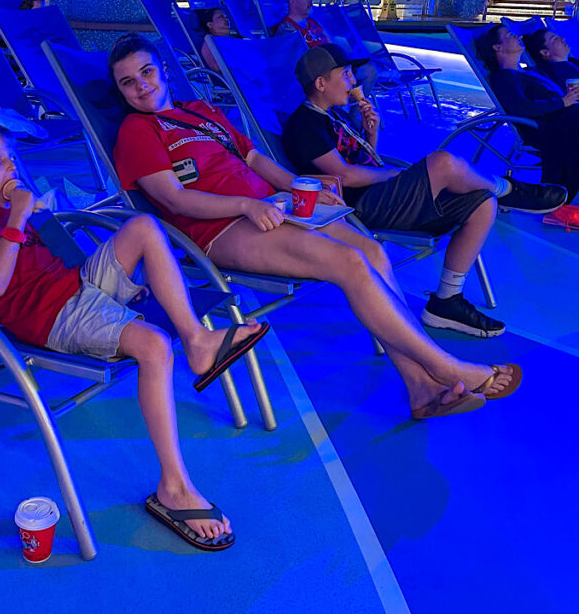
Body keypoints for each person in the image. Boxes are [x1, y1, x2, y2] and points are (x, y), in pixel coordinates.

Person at [110, 33, 522, 420]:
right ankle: (446, 367)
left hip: (274, 206)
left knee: (373, 252)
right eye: (128, 82)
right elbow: (174, 199)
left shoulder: (201, 112)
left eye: (146, 72)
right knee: (348, 262)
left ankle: (420, 388)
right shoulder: (136, 132)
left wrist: (302, 186)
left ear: (163, 68)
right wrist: (247, 205)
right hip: (222, 227)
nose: (141, 86)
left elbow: (252, 159)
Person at [0, 122, 270, 551]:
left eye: (10, 157)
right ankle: (174, 487)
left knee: (145, 227)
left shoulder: (9, 209)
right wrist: (18, 217)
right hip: (52, 316)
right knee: (153, 345)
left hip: (77, 285)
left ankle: (198, 340)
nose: (10, 168)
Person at [281, 44, 567, 337]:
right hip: (359, 210)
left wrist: (371, 133)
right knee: (442, 162)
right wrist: (393, 174)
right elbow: (345, 176)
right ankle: (512, 190)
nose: (353, 81)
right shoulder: (305, 125)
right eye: (345, 74)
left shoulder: (335, 116)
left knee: (482, 202)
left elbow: (366, 162)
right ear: (320, 83)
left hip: (382, 196)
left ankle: (446, 301)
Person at [475, 24, 579, 222]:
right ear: (497, 47)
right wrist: (562, 102)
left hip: (564, 122)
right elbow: (519, 107)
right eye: (508, 34)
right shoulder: (505, 76)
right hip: (549, 129)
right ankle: (558, 205)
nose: (516, 36)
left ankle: (560, 201)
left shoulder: (529, 72)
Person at [273, 0, 377, 102]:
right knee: (362, 72)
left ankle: (354, 115)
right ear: (292, 2)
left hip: (334, 67)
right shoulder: (287, 28)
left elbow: (330, 42)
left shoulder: (313, 23)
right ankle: (341, 108)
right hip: (318, 74)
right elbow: (292, 60)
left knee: (370, 70)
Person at [522, 27, 579, 93]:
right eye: (555, 39)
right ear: (545, 52)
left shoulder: (573, 62)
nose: (563, 39)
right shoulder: (551, 75)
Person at [195, 6, 234, 71]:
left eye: (226, 17)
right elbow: (216, 67)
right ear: (210, 24)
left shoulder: (227, 40)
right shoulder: (209, 44)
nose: (227, 20)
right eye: (220, 17)